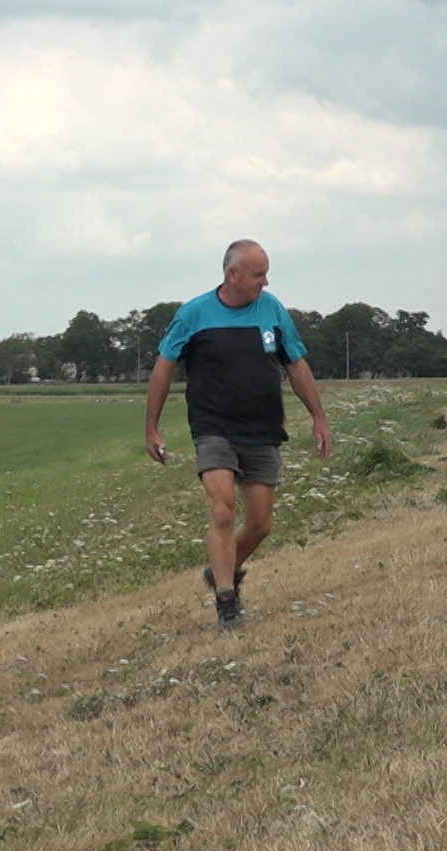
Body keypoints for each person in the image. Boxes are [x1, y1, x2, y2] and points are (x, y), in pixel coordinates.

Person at [144, 239, 332, 631]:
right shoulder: (194, 314)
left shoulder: (272, 310)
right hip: (213, 428)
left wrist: (319, 417)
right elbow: (164, 367)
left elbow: (295, 364)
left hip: (262, 428)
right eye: (258, 274)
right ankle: (227, 600)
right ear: (232, 275)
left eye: (265, 272)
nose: (266, 281)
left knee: (261, 523)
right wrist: (152, 427)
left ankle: (221, 569)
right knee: (222, 510)